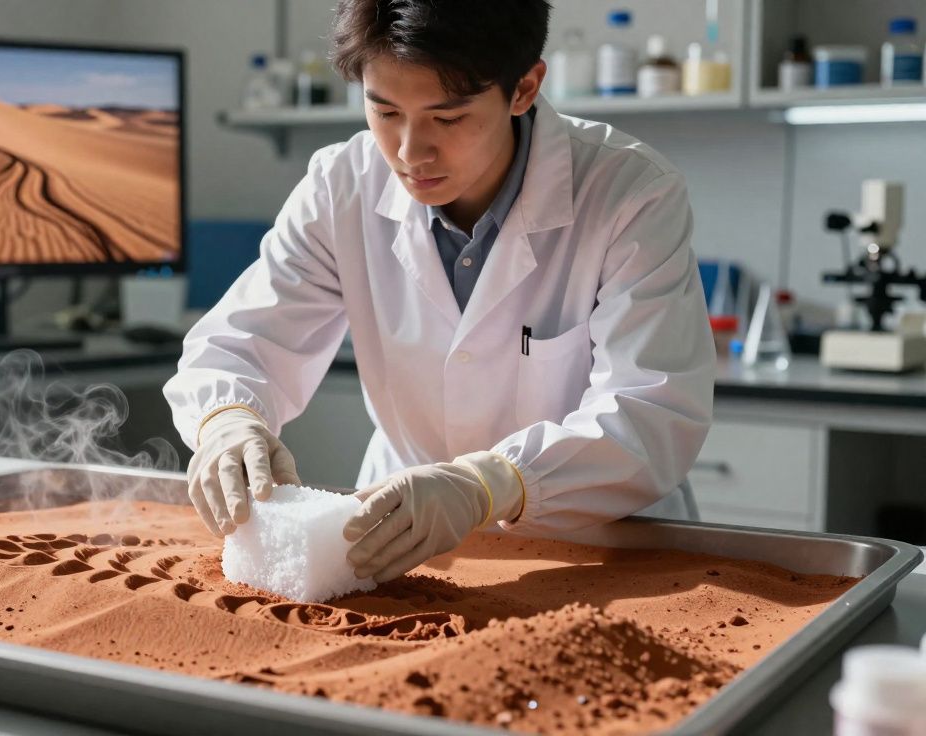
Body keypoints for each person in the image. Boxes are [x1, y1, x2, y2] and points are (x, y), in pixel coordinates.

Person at [163, 0, 714, 584]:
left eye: (446, 119)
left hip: (596, 546)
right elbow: (244, 342)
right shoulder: (341, 185)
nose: (409, 152)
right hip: (402, 542)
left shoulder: (630, 193)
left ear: (524, 88)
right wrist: (228, 418)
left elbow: (651, 411)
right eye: (384, 111)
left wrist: (490, 483)